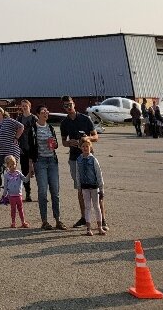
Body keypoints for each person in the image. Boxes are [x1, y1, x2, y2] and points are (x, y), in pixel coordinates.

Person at [59, 95, 106, 229]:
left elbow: (96, 136)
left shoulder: (85, 119)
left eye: (70, 104)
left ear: (74, 104)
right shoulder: (64, 123)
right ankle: (84, 218)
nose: (68, 107)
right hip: (75, 159)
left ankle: (102, 219)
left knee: (95, 188)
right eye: (65, 106)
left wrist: (87, 138)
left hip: (89, 158)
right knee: (80, 189)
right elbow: (63, 142)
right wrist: (69, 143)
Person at [28, 105, 66, 230]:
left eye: (47, 111)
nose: (46, 113)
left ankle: (58, 220)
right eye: (43, 112)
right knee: (42, 192)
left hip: (52, 161)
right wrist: (31, 165)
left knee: (55, 192)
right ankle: (44, 221)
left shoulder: (50, 127)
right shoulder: (33, 129)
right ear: (38, 114)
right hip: (40, 162)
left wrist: (54, 144)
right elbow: (30, 149)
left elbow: (55, 145)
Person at [75, 137, 106, 236]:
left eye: (87, 146)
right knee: (87, 207)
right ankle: (88, 228)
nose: (85, 148)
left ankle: (100, 227)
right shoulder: (78, 159)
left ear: (90, 147)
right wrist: (79, 187)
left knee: (96, 207)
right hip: (84, 187)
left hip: (94, 186)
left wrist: (101, 189)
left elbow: (99, 174)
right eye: (83, 146)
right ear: (80, 147)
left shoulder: (94, 160)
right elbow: (77, 174)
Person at [15, 100, 36, 201]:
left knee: (38, 170)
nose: (24, 107)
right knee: (25, 171)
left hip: (34, 149)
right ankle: (28, 193)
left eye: (26, 106)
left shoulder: (34, 118)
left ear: (29, 106)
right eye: (22, 106)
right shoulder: (19, 119)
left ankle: (42, 192)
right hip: (23, 149)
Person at [2, 155, 29, 228]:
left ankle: (23, 222)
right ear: (7, 166)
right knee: (13, 209)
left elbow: (25, 180)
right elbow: (5, 186)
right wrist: (4, 195)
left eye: (14, 164)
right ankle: (13, 222)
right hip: (11, 195)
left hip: (19, 194)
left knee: (20, 209)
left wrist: (29, 174)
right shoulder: (6, 175)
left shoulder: (18, 173)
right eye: (10, 165)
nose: (13, 166)